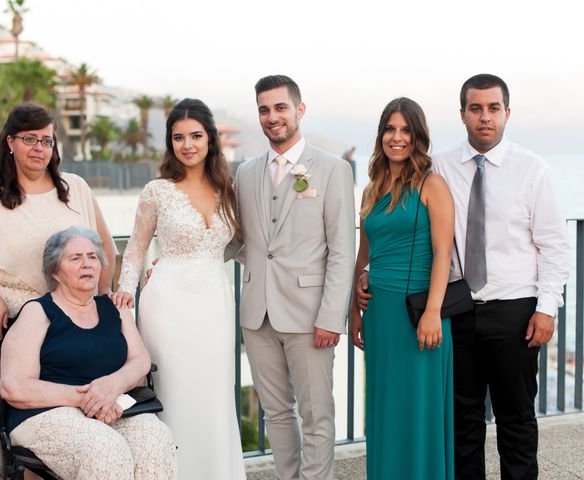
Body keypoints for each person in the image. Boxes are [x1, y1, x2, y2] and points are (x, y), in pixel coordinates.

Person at [357, 75, 570, 479]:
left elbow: (554, 247)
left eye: (493, 108)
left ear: (507, 113)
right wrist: (370, 270)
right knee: (462, 425)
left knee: (517, 421)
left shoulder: (534, 171)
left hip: (515, 310)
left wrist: (547, 309)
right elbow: (408, 225)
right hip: (458, 312)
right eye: (476, 109)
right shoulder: (438, 166)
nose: (484, 117)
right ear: (463, 115)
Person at [111, 98, 246, 479]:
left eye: (196, 136)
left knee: (215, 395)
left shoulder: (228, 188)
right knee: (174, 394)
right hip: (167, 305)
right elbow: (135, 250)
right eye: (179, 137)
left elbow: (235, 247)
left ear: (210, 139)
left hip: (215, 305)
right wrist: (124, 296)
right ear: (170, 143)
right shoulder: (157, 191)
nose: (188, 145)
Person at [233, 75, 355, 480]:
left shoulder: (334, 169)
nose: (272, 117)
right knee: (276, 413)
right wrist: (187, 255)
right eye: (264, 110)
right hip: (257, 314)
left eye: (280, 107)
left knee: (317, 413)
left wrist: (330, 317)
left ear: (299, 110)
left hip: (309, 315)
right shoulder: (245, 173)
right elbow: (240, 240)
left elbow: (342, 250)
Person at [0, 103, 116, 398]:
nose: (39, 147)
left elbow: (105, 250)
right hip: (9, 320)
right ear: (10, 142)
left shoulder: (76, 188)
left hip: (72, 320)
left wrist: (100, 307)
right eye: (29, 138)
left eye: (46, 140)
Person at [0, 226, 177, 479]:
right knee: (105, 450)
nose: (87, 264)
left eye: (92, 257)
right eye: (75, 258)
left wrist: (113, 386)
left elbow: (140, 361)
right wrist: (90, 398)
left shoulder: (115, 308)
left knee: (156, 440)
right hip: (47, 411)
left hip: (114, 405)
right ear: (54, 271)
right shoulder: (38, 312)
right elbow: (13, 387)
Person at [349, 97, 455, 479]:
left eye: (405, 130)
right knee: (386, 409)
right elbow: (364, 257)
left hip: (420, 315)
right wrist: (354, 311)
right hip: (380, 316)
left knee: (419, 411)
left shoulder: (433, 184)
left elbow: (443, 253)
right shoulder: (370, 191)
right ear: (381, 136)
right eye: (390, 130)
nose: (397, 138)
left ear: (418, 136)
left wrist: (432, 313)